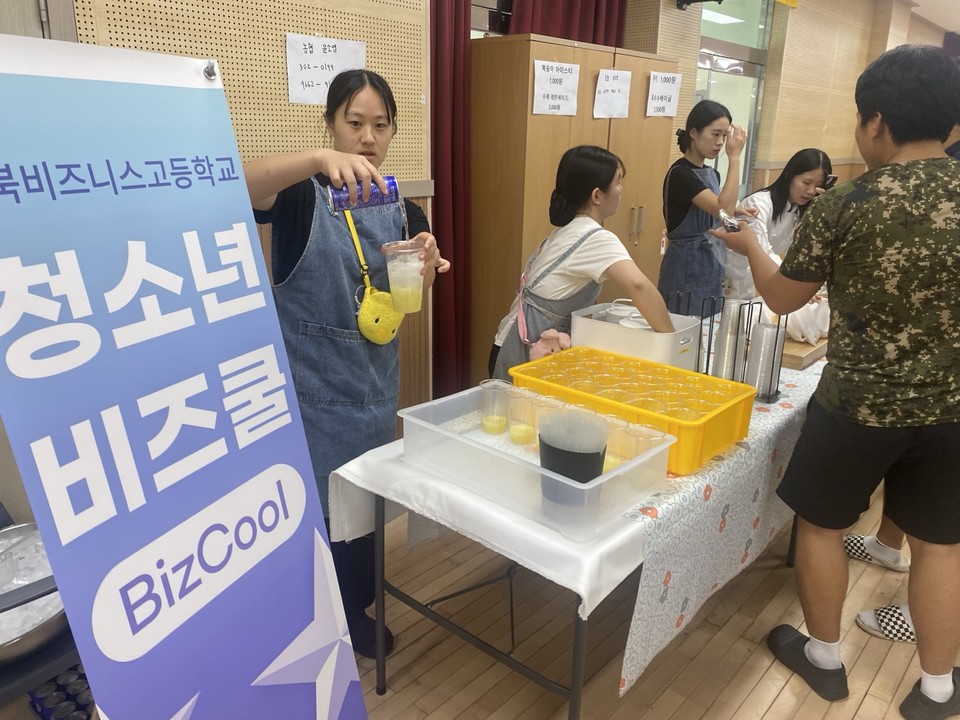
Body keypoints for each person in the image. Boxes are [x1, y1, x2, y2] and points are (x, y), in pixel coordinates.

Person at [712, 45, 960, 719]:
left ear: (875, 122)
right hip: (951, 409)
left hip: (856, 404)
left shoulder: (848, 200)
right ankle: (937, 688)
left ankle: (823, 656)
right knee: (942, 542)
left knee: (820, 526)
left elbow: (785, 299)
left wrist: (753, 249)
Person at [244, 69, 450, 658]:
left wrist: (429, 264)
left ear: (392, 132)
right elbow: (238, 183)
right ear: (331, 124)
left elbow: (414, 298)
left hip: (375, 389)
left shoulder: (406, 210)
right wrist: (313, 160)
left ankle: (353, 611)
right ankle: (305, 619)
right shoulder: (300, 198)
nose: (367, 137)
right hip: (310, 397)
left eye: (379, 125)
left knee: (360, 514)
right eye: (353, 124)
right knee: (311, 516)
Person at [490, 145, 674, 379]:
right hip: (521, 354)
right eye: (618, 182)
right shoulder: (596, 239)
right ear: (597, 195)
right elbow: (639, 286)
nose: (621, 190)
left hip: (508, 344)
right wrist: (672, 342)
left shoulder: (566, 232)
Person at [659, 99, 749, 316]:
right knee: (682, 331)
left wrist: (736, 215)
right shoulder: (681, 174)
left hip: (711, 263)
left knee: (707, 332)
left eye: (725, 136)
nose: (720, 142)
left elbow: (721, 216)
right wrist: (735, 158)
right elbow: (722, 208)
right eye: (715, 134)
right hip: (685, 264)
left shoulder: (712, 173)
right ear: (693, 132)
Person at [724, 148, 832, 299]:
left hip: (755, 278)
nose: (811, 191)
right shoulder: (759, 203)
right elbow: (761, 249)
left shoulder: (801, 211)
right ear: (789, 176)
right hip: (731, 274)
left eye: (818, 185)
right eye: (806, 182)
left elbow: (798, 251)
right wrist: (793, 285)